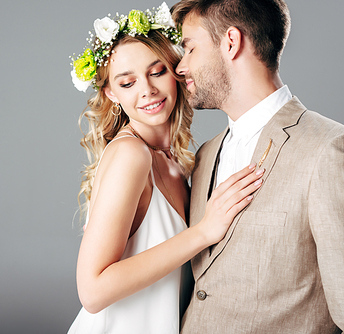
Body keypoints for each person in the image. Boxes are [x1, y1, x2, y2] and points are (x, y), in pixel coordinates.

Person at [171, 0, 344, 333]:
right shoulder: (205, 156)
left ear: (231, 41)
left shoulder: (333, 152)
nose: (180, 67)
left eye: (190, 48)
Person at [67, 3, 265, 333]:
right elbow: (93, 291)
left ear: (177, 72)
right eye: (127, 83)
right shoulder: (132, 154)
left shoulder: (177, 159)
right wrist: (203, 232)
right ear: (111, 94)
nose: (147, 91)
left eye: (157, 72)